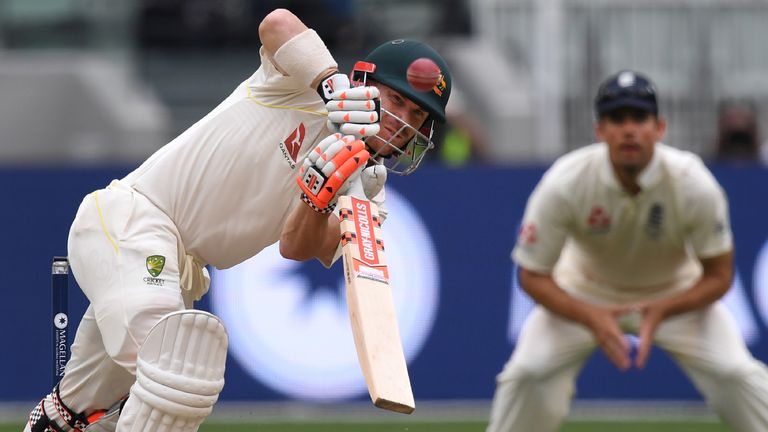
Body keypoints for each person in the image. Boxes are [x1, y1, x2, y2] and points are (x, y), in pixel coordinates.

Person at [24, 8, 451, 432]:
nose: (403, 123)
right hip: (135, 222)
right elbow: (277, 22)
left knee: (83, 412)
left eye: (417, 116)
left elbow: (298, 246)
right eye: (397, 101)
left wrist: (314, 196)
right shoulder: (299, 86)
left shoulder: (368, 187)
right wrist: (331, 87)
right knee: (176, 372)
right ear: (364, 83)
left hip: (180, 270)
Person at [486, 70, 768, 432]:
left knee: (735, 372)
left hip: (675, 293)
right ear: (600, 131)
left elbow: (719, 275)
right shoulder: (566, 181)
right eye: (617, 119)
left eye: (639, 118)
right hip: (584, 291)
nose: (629, 129)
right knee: (528, 373)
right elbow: (532, 275)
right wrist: (592, 316)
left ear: (660, 128)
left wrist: (661, 309)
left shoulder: (692, 182)